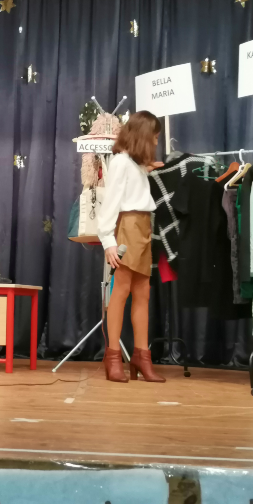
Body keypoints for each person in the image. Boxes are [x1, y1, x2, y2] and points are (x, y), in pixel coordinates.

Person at [97, 111, 165, 384]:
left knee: (142, 294)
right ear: (143, 136)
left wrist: (144, 170)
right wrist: (108, 241)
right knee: (121, 292)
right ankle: (113, 356)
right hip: (128, 227)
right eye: (155, 137)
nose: (156, 142)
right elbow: (111, 202)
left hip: (143, 228)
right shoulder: (121, 162)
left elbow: (132, 191)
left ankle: (141, 356)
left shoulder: (133, 164)